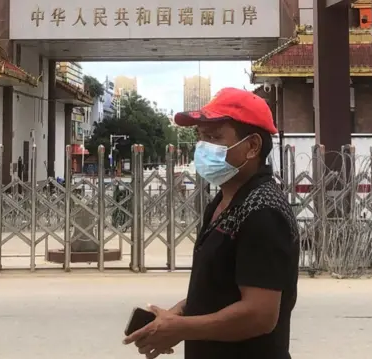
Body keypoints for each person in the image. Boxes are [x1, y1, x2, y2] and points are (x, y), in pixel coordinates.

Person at [123, 88, 299, 359]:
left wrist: (182, 328)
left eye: (215, 137)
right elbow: (217, 288)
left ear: (252, 146)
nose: (204, 147)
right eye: (201, 137)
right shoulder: (222, 202)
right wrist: (176, 316)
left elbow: (259, 314)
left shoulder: (263, 211)